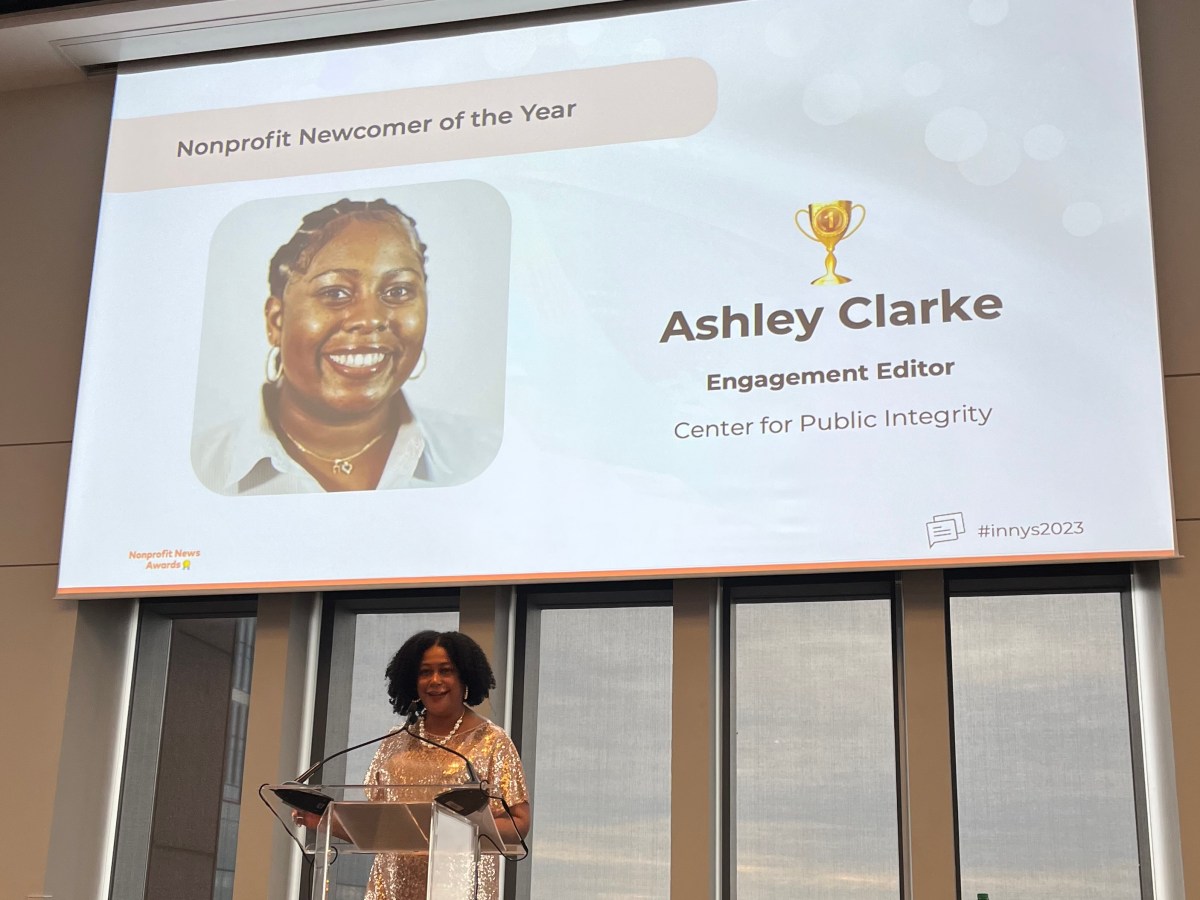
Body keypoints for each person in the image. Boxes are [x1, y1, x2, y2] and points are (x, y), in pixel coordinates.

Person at [194, 198, 495, 494]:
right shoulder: (199, 471)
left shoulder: (485, 456)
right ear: (276, 321)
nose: (370, 319)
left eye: (398, 291)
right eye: (335, 293)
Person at [364, 630, 530, 900]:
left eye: (446, 671)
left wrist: (455, 832)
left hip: (460, 889)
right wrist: (324, 820)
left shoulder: (492, 741)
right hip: (390, 890)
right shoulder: (394, 742)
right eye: (424, 672)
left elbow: (519, 822)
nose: (435, 681)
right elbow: (374, 826)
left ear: (466, 677)